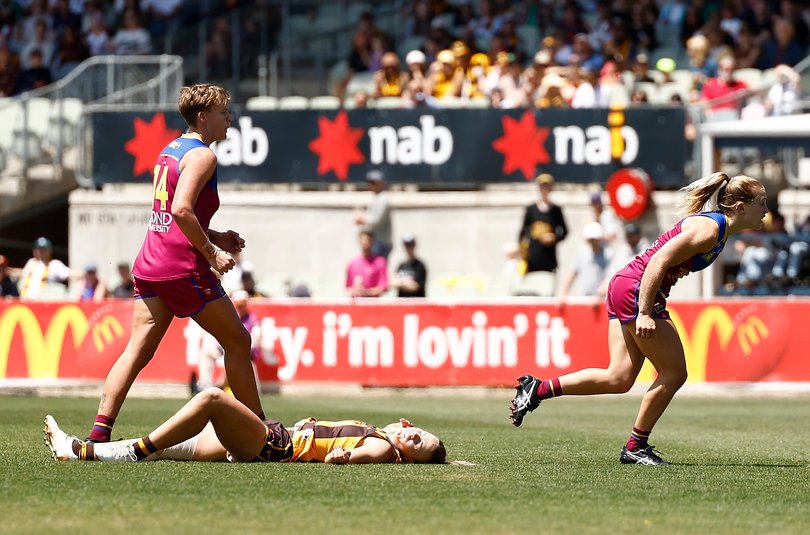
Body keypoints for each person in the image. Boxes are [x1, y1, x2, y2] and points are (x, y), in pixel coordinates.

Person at [510, 172, 769, 465]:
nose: (766, 211)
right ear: (740, 206)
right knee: (675, 373)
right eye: (762, 202)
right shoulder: (710, 230)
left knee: (618, 377)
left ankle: (538, 388)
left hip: (626, 285)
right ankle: (636, 445)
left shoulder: (718, 230)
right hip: (637, 290)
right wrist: (644, 311)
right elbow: (658, 261)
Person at [85, 84, 264, 444]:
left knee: (136, 352)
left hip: (150, 265)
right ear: (203, 118)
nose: (229, 118)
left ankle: (99, 432)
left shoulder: (172, 149)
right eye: (223, 112)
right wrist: (212, 253)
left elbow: (173, 213)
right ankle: (260, 431)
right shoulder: (203, 157)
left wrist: (215, 235)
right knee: (238, 342)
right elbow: (181, 210)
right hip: (182, 268)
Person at [44, 388, 446, 464]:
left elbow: (359, 455)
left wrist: (347, 457)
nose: (415, 437)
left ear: (406, 456)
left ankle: (130, 452)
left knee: (212, 398)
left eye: (419, 446)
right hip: (273, 437)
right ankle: (80, 451)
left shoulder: (383, 448)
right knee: (172, 445)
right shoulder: (383, 430)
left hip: (274, 444)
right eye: (422, 434)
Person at [192, 290, 262, 395]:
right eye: (239, 305)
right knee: (206, 352)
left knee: (232, 355)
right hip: (227, 348)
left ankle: (220, 387)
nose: (240, 307)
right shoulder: (231, 316)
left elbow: (256, 340)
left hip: (245, 354)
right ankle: (204, 385)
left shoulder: (253, 319)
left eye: (242, 305)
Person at [517, 173, 568, 297]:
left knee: (547, 292)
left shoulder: (556, 210)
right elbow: (523, 232)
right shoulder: (531, 209)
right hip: (532, 260)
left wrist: (554, 237)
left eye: (547, 186)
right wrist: (522, 252)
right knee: (532, 293)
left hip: (549, 261)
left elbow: (565, 231)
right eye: (542, 186)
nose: (545, 189)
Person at [556, 221, 612, 302]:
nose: (592, 242)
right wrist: (563, 292)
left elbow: (610, 276)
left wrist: (600, 293)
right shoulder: (582, 254)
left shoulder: (608, 254)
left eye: (594, 239)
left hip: (603, 300)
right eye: (590, 239)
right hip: (585, 298)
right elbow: (572, 273)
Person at [353, 169, 393, 259]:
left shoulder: (384, 199)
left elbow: (377, 220)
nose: (371, 185)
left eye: (374, 182)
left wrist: (362, 219)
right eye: (370, 182)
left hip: (381, 242)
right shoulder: (377, 198)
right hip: (375, 241)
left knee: (378, 269)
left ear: (381, 183)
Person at [346, 230, 388, 298]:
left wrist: (367, 292)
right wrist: (354, 291)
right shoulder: (352, 263)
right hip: (356, 304)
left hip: (373, 304)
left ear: (372, 242)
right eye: (362, 240)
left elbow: (384, 287)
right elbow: (348, 287)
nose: (364, 242)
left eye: (367, 240)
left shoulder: (380, 262)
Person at [390, 233, 427, 298]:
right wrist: (406, 282)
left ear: (414, 245)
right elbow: (392, 283)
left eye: (411, 245)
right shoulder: (401, 265)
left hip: (416, 303)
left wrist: (400, 282)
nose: (409, 248)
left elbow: (415, 287)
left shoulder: (420, 266)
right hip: (402, 303)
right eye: (407, 245)